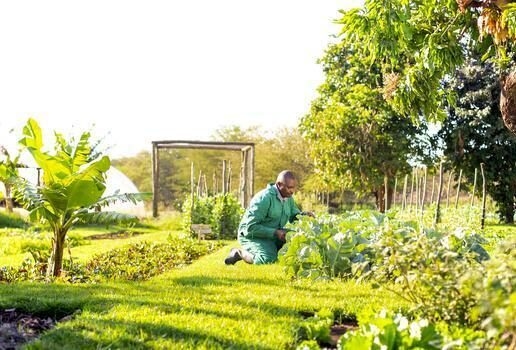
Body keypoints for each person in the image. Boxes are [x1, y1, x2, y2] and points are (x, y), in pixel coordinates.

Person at [224, 170, 313, 265]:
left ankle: (273, 248)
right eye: (289, 187)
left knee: (298, 240)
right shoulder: (264, 198)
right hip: (252, 236)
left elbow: (294, 216)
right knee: (267, 258)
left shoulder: (288, 198)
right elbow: (250, 228)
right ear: (279, 184)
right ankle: (239, 253)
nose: (292, 191)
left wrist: (305, 216)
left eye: (294, 188)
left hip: (274, 234)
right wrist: (275, 232)